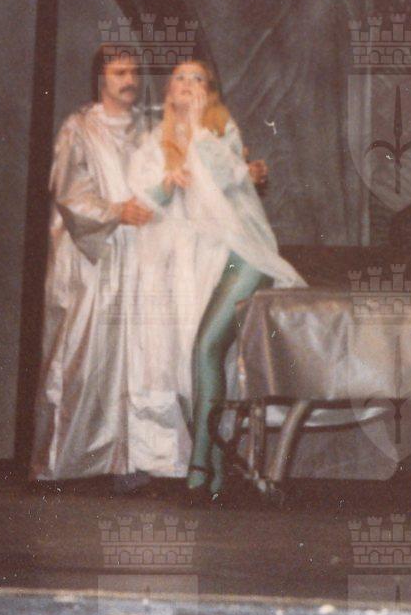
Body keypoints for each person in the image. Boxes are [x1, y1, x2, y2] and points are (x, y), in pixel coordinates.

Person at [128, 59, 304, 498]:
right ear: (168, 89)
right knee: (193, 358)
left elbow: (231, 179)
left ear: (209, 92)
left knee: (206, 346)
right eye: (180, 78)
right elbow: (143, 201)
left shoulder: (220, 132)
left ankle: (201, 463)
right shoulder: (152, 144)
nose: (188, 85)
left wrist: (200, 133)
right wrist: (169, 182)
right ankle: (214, 465)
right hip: (194, 261)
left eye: (198, 79)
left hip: (240, 256)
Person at [29, 43, 156, 485]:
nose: (129, 80)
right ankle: (67, 462)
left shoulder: (148, 129)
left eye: (133, 72)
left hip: (137, 255)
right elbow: (69, 191)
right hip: (91, 258)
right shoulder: (79, 128)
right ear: (101, 78)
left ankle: (128, 462)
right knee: (84, 355)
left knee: (134, 358)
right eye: (120, 72)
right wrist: (116, 212)